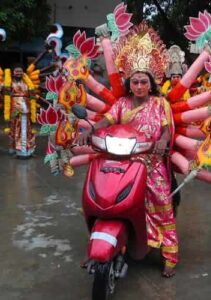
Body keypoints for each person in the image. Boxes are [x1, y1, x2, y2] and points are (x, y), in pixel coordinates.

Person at [76, 71, 178, 278]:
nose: (139, 86)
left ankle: (169, 254)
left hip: (150, 159)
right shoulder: (122, 103)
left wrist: (163, 141)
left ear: (150, 85)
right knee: (100, 196)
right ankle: (99, 244)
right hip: (120, 158)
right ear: (129, 85)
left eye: (143, 82)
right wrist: (91, 130)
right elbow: (107, 121)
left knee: (161, 202)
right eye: (135, 82)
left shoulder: (160, 104)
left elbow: (167, 130)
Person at [5, 65, 36, 158]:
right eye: (16, 71)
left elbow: (32, 95)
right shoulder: (9, 82)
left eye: (20, 71)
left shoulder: (27, 82)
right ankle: (16, 149)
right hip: (14, 108)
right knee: (14, 127)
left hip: (25, 108)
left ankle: (25, 151)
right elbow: (5, 94)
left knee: (25, 128)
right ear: (13, 73)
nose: (19, 73)